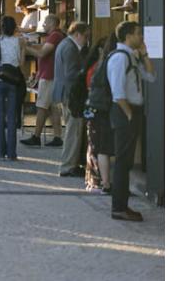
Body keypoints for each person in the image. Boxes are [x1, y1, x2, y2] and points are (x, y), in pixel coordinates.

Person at [106, 21, 157, 222]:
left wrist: (144, 54)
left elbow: (151, 77)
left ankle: (122, 205)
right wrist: (128, 114)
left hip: (131, 110)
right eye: (138, 34)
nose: (141, 37)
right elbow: (117, 92)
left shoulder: (131, 56)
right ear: (128, 36)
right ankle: (118, 207)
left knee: (126, 162)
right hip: (124, 111)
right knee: (122, 162)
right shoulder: (119, 58)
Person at [53, 22, 91, 177]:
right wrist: (86, 74)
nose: (87, 40)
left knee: (73, 130)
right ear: (77, 34)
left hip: (65, 93)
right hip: (70, 95)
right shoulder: (70, 48)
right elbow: (71, 74)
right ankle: (68, 166)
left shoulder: (65, 45)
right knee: (73, 131)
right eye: (86, 36)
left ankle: (72, 164)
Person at [21, 14, 65, 147]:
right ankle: (57, 137)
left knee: (42, 107)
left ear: (52, 23)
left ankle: (36, 136)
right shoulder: (55, 36)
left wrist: (26, 47)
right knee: (52, 108)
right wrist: (33, 45)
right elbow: (44, 47)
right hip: (51, 75)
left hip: (48, 76)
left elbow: (42, 53)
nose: (43, 25)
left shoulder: (55, 36)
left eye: (45, 22)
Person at [83, 35, 116, 193]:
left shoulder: (97, 65)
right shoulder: (106, 64)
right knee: (100, 148)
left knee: (95, 147)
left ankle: (95, 181)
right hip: (102, 110)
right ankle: (99, 182)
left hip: (93, 109)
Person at [0, 16, 24, 161]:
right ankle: (11, 153)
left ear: (1, 28)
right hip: (12, 81)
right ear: (14, 27)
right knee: (11, 116)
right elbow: (21, 63)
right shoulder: (19, 41)